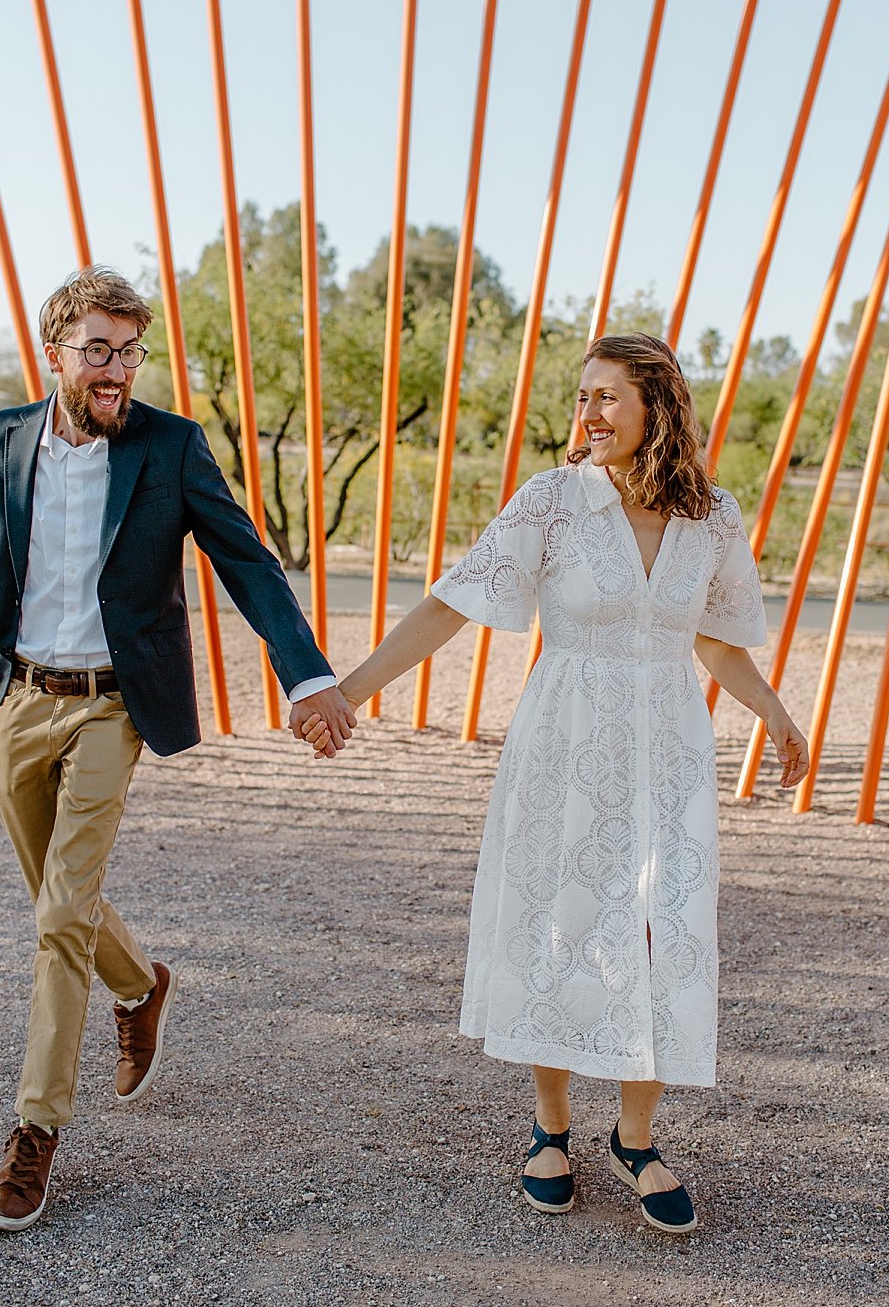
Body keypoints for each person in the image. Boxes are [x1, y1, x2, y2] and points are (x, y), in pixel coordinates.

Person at [0, 267, 356, 1232]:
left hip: (112, 706)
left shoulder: (171, 448)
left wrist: (309, 676)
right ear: (54, 352)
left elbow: (246, 561)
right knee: (59, 897)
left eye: (130, 353)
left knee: (59, 914)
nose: (117, 371)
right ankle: (140, 984)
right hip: (19, 701)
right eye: (99, 351)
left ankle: (33, 1134)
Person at [309, 333, 808, 1234]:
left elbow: (719, 640)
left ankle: (638, 1138)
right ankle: (549, 1130)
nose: (590, 414)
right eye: (582, 397)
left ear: (660, 405)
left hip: (669, 751)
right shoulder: (552, 500)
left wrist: (773, 713)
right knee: (561, 921)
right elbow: (447, 605)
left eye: (609, 397)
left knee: (659, 929)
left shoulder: (714, 517)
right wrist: (347, 692)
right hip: (564, 744)